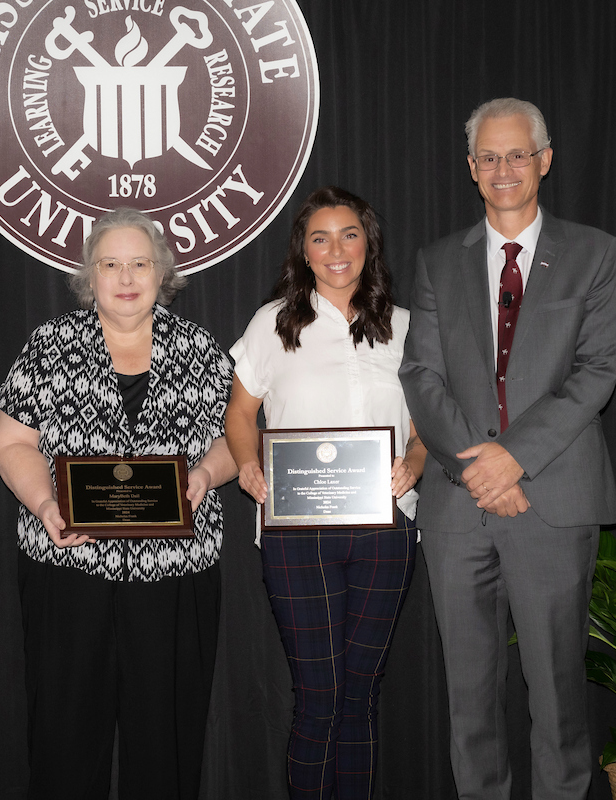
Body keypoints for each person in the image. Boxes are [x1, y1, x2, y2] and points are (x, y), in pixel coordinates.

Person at [398, 97, 616, 800]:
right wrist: (480, 466)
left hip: (552, 501)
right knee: (470, 700)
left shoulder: (595, 253)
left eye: (516, 155)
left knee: (558, 698)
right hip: (460, 509)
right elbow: (421, 375)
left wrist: (513, 458)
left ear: (544, 161)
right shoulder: (438, 262)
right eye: (488, 157)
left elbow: (597, 371)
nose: (503, 170)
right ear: (471, 169)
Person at [0, 208, 236, 800]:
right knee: (65, 737)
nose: (126, 277)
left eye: (140, 263)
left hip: (175, 574)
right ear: (89, 276)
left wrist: (204, 474)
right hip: (68, 570)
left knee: (167, 739)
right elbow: (10, 440)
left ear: (162, 272)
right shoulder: (49, 346)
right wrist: (47, 505)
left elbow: (237, 439)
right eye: (111, 264)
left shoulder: (201, 349)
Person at [224, 186, 425, 800]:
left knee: (361, 692)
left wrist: (416, 460)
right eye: (320, 238)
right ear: (304, 253)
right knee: (318, 695)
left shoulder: (408, 327)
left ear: (369, 244)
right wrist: (248, 464)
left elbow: (424, 425)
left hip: (387, 525)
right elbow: (239, 416)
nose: (336, 250)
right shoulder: (273, 322)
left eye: (349, 235)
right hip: (294, 532)